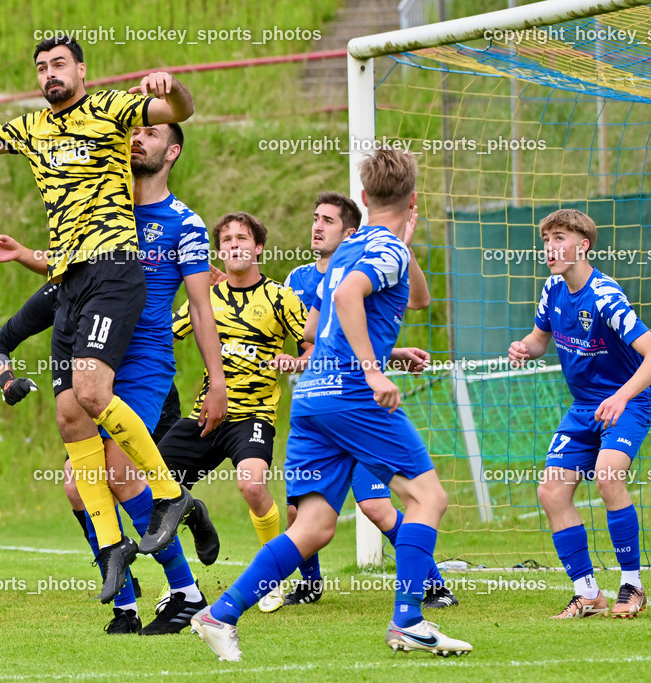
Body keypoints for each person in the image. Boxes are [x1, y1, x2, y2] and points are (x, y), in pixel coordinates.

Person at [0, 35, 197, 603]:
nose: (49, 73)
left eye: (59, 63)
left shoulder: (110, 108)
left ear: (81, 69)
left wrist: (170, 88)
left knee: (89, 391)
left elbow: (178, 111)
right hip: (69, 279)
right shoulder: (31, 127)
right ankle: (112, 551)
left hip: (111, 265)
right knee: (68, 417)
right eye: (41, 67)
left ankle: (168, 495)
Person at [190, 148, 473, 661]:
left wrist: (390, 339)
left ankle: (221, 613)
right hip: (352, 393)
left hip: (312, 398)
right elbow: (346, 302)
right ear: (413, 199)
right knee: (428, 498)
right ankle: (409, 619)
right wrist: (373, 367)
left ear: (363, 199)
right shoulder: (380, 248)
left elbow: (379, 310)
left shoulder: (353, 246)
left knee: (315, 526)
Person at [0, 122, 225, 632]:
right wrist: (28, 256)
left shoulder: (184, 223)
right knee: (75, 485)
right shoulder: (104, 210)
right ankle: (128, 599)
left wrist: (216, 381)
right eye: (133, 132)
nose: (138, 139)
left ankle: (185, 592)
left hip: (143, 363)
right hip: (90, 352)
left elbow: (201, 309)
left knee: (117, 473)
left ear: (172, 151)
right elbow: (73, 272)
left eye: (152, 134)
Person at [271, 191, 456, 611]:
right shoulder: (302, 278)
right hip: (334, 401)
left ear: (350, 231)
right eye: (315, 218)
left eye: (328, 220)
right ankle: (310, 587)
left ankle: (431, 585)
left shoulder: (367, 261)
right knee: (304, 517)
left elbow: (410, 302)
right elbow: (322, 339)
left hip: (347, 401)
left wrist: (384, 360)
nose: (317, 226)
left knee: (377, 507)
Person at [151, 211, 310, 631]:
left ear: (259, 247)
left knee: (252, 484)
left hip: (253, 415)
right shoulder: (208, 299)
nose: (235, 244)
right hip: (207, 413)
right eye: (227, 240)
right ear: (219, 251)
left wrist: (296, 360)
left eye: (244, 238)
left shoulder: (280, 298)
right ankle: (193, 529)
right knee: (153, 485)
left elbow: (314, 346)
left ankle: (271, 575)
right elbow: (164, 333)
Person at [508, 209, 651, 618]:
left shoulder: (605, 296)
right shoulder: (552, 290)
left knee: (609, 475)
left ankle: (631, 585)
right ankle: (588, 593)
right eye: (545, 240)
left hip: (627, 402)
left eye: (559, 238)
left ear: (583, 246)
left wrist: (620, 397)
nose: (549, 248)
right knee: (551, 491)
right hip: (584, 409)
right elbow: (540, 339)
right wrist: (525, 347)